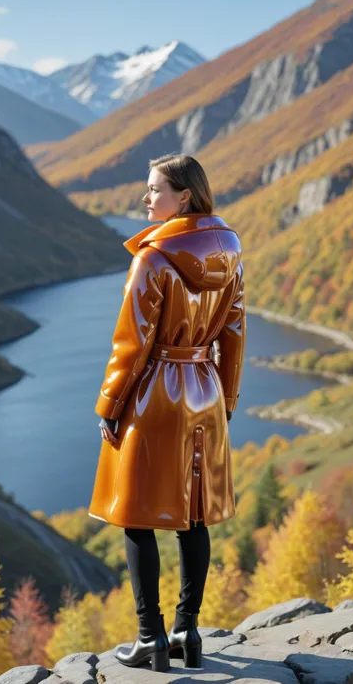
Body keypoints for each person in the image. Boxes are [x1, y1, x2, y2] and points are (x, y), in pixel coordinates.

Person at [88, 153, 246, 672]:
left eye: (154, 189)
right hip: (202, 388)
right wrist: (225, 400)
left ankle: (150, 637)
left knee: (138, 517)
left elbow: (131, 344)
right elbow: (234, 336)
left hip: (155, 393)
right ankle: (187, 630)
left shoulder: (153, 258)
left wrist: (110, 404)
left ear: (184, 197)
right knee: (192, 516)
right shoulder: (231, 254)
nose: (145, 198)